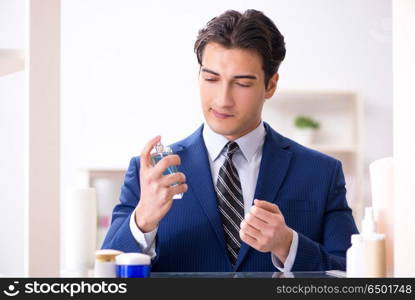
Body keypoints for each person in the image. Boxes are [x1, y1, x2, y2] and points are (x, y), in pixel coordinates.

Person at [102, 9, 359, 272]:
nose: (223, 99)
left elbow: (353, 274)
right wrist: (143, 220)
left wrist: (288, 244)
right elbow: (106, 275)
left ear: (270, 85)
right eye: (211, 78)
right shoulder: (151, 172)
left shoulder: (321, 173)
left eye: (243, 83)